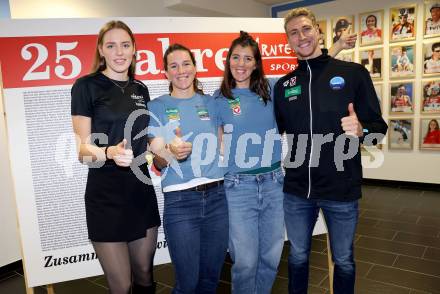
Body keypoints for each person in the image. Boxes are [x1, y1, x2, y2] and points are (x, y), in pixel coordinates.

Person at [214, 30, 354, 294]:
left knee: (270, 256)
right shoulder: (218, 99)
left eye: (247, 58)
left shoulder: (273, 88)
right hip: (239, 187)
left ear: (256, 63)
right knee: (245, 261)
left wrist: (337, 47)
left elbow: (308, 70)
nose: (241, 64)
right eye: (236, 57)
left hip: (274, 183)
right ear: (228, 60)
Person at [274, 7, 387, 294]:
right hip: (298, 190)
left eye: (306, 29)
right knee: (298, 257)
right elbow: (273, 130)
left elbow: (379, 130)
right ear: (288, 41)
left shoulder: (353, 74)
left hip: (341, 188)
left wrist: (362, 130)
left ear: (318, 30)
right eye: (294, 33)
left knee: (344, 260)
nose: (301, 37)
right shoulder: (285, 85)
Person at [71, 20, 160, 294]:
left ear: (134, 50)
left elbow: (143, 137)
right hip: (105, 195)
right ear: (101, 50)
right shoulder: (86, 86)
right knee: (121, 285)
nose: (119, 52)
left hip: (140, 190)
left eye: (125, 45)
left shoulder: (140, 89)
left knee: (145, 274)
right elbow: (83, 151)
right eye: (111, 45)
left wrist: (162, 145)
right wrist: (109, 152)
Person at [147, 43, 227, 294]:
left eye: (186, 64)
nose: (181, 70)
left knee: (210, 281)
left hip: (218, 198)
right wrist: (170, 152)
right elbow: (158, 160)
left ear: (195, 68)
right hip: (181, 202)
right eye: (174, 66)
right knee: (187, 283)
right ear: (165, 73)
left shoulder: (212, 103)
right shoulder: (157, 107)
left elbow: (225, 145)